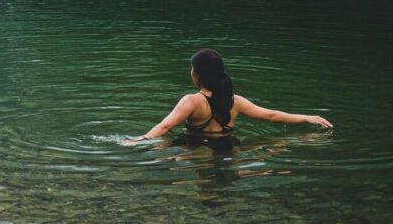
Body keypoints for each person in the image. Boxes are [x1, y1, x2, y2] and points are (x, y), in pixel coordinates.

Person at [131, 49, 332, 148]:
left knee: (175, 166)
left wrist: (138, 140)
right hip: (228, 147)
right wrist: (306, 117)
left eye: (192, 69)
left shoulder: (191, 101)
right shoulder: (235, 101)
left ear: (197, 75)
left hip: (194, 146)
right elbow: (271, 116)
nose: (190, 72)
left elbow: (165, 127)